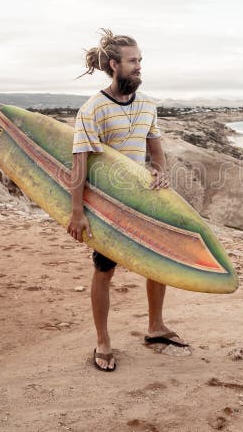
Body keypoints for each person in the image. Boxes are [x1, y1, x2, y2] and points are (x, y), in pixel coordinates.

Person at [67, 29, 188, 372]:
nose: (139, 67)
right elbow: (80, 163)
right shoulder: (92, 110)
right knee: (104, 270)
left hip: (144, 199)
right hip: (107, 205)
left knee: (158, 261)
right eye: (133, 61)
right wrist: (77, 212)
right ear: (113, 64)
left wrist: (161, 172)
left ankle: (155, 327)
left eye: (140, 61)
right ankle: (103, 341)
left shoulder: (148, 103)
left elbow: (155, 146)